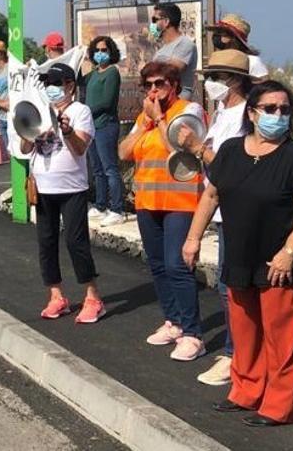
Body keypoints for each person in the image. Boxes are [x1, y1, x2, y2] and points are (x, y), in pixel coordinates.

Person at [182, 80, 293, 427]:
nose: (279, 115)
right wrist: (192, 238)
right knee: (245, 332)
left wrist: (289, 253)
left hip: (280, 264)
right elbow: (211, 196)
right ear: (252, 113)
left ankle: (279, 406)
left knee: (282, 339)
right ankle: (246, 391)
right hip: (240, 258)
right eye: (271, 109)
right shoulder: (230, 150)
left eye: (285, 109)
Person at [118, 61, 206, 361]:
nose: (154, 90)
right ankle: (174, 322)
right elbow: (124, 152)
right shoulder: (145, 117)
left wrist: (160, 119)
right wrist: (145, 123)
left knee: (177, 266)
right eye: (149, 85)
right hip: (148, 202)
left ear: (174, 85)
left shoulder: (188, 111)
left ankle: (193, 334)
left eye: (160, 84)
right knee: (157, 265)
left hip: (180, 203)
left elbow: (182, 150)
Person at [178, 50, 255, 385]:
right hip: (220, 209)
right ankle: (237, 352)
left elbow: (234, 168)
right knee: (228, 287)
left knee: (232, 287)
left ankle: (237, 355)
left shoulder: (247, 117)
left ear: (233, 79)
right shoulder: (223, 112)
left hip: (239, 212)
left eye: (214, 78)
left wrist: (197, 147)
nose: (208, 84)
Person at [18, 64, 105, 324]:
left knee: (76, 243)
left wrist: (65, 131)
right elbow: (24, 148)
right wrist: (30, 133)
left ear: (70, 85)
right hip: (44, 187)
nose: (50, 88)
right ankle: (56, 295)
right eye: (46, 84)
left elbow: (80, 148)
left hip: (72, 188)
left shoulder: (81, 111)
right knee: (46, 242)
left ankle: (93, 297)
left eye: (55, 83)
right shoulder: (41, 111)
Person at [84, 36, 126, 227]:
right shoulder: (93, 74)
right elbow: (75, 80)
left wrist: (86, 111)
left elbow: (107, 102)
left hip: (106, 126)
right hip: (92, 127)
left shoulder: (112, 72)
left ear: (111, 52)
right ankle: (101, 206)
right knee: (97, 169)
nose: (100, 53)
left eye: (104, 50)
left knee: (110, 169)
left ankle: (117, 209)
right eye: (97, 50)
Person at [151, 3, 198, 100]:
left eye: (155, 20)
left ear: (166, 21)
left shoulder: (185, 44)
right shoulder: (160, 51)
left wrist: (149, 68)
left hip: (179, 103)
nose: (152, 24)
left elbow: (172, 71)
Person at [206, 14, 269, 79]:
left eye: (222, 33)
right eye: (216, 32)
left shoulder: (252, 61)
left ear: (234, 39)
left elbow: (263, 85)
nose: (217, 36)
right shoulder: (215, 59)